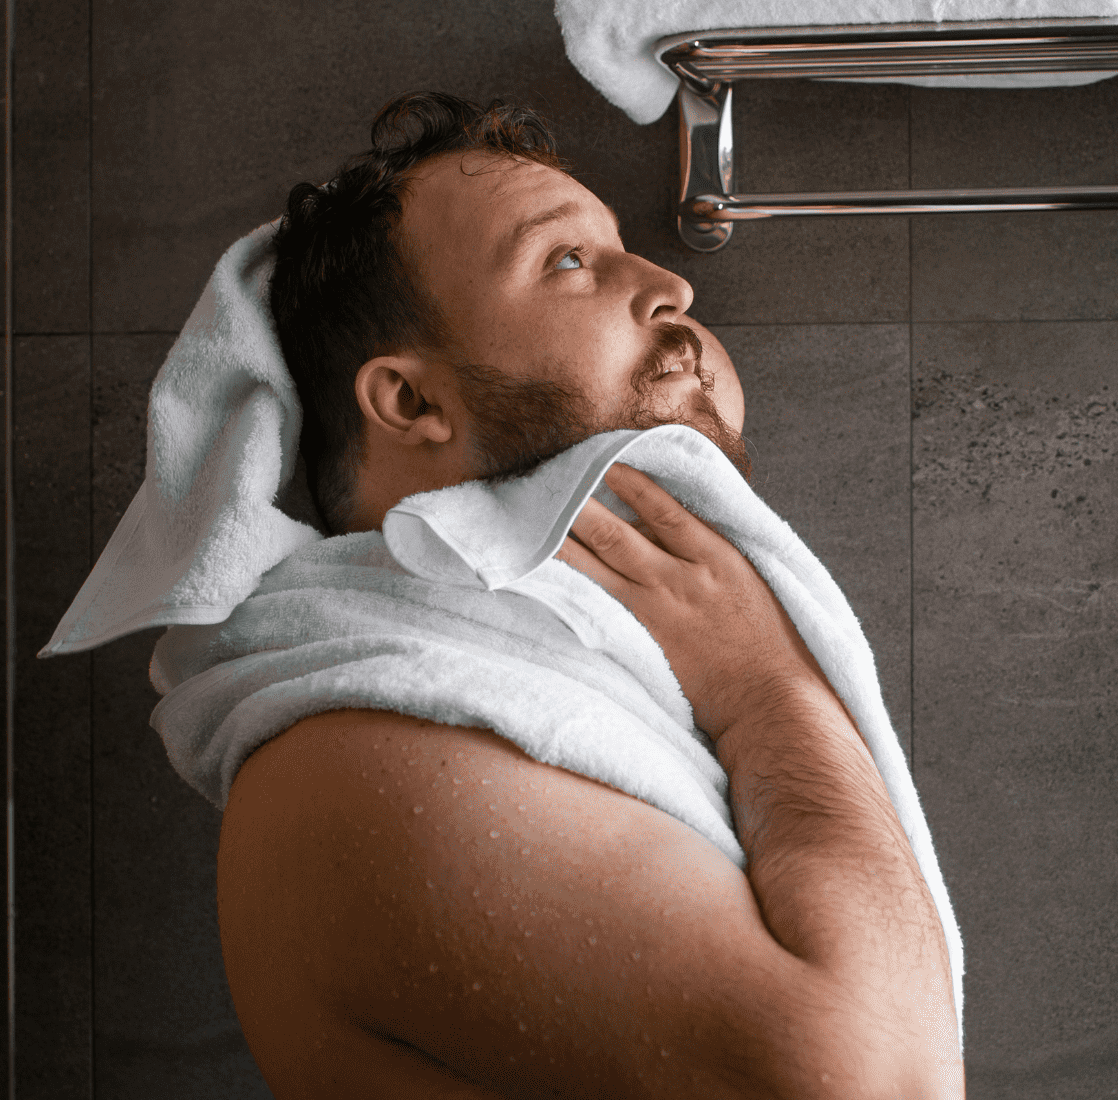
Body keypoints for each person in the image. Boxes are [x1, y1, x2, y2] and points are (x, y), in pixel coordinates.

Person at [214, 92, 961, 1099]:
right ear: (411, 399)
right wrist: (764, 684)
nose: (670, 284)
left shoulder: (538, 677)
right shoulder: (361, 751)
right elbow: (874, 1081)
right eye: (567, 259)